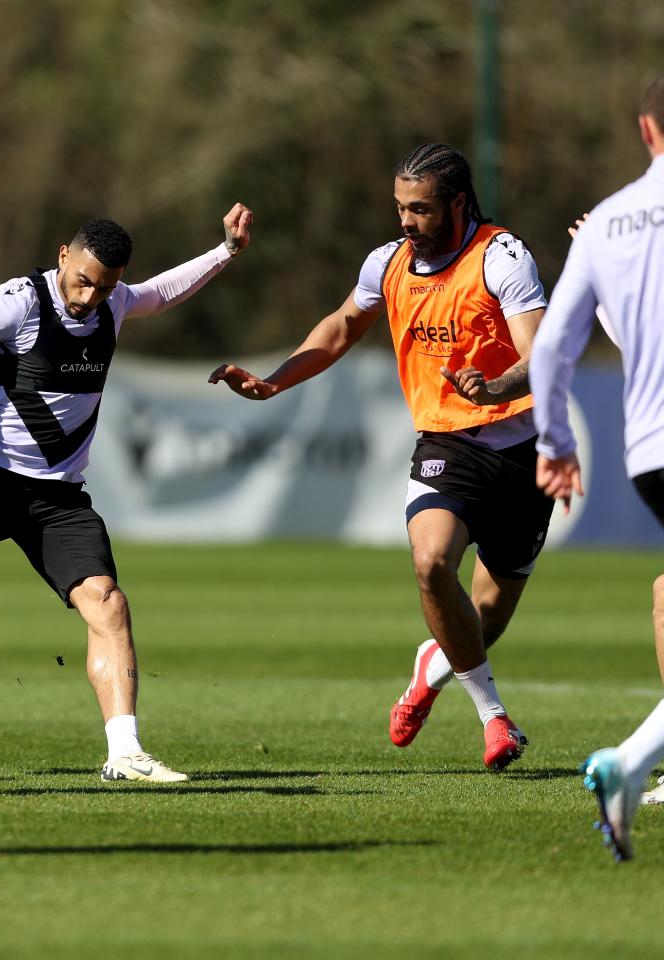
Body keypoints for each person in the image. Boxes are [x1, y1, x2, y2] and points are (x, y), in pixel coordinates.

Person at [0, 204, 254, 782]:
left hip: (59, 501)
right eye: (82, 281)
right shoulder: (18, 302)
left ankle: (125, 753)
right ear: (62, 256)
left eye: (104, 287)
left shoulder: (114, 302)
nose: (90, 297)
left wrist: (225, 251)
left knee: (108, 604)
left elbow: (161, 292)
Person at [210, 143, 549, 772]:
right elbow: (341, 327)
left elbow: (543, 356)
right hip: (447, 443)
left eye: (420, 210)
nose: (405, 221)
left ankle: (431, 668)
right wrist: (273, 382)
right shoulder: (388, 263)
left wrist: (499, 386)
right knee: (430, 561)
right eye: (399, 208)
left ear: (456, 203)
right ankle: (495, 719)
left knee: (483, 621)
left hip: (522, 451)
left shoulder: (501, 257)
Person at [530, 73, 664, 860]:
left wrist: (555, 444)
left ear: (646, 129)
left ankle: (635, 763)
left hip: (650, 452)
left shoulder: (608, 224)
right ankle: (631, 761)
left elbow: (552, 345)